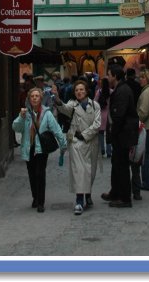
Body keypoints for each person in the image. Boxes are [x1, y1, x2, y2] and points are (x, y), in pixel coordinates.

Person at [12, 86, 67, 213]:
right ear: (29, 99)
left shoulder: (47, 114)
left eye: (37, 96)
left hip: (41, 148)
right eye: (32, 96)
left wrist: (63, 145)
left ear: (41, 98)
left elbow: (56, 129)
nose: (34, 98)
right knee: (31, 174)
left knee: (39, 174)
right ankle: (35, 197)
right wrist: (21, 116)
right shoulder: (25, 113)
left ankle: (41, 202)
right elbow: (16, 127)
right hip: (28, 147)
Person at [55, 78, 101, 215]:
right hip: (76, 142)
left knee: (90, 172)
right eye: (76, 90)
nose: (79, 92)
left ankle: (88, 194)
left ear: (87, 91)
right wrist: (57, 100)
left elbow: (97, 124)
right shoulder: (72, 105)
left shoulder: (95, 105)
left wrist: (85, 134)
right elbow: (64, 108)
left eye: (81, 89)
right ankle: (79, 201)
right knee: (79, 172)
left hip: (91, 142)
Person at [100, 64, 139, 208]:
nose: (107, 77)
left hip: (123, 135)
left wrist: (113, 132)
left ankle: (124, 198)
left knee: (121, 166)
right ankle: (115, 192)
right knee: (116, 164)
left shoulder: (123, 90)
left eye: (109, 74)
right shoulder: (120, 88)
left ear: (115, 76)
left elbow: (119, 115)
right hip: (120, 134)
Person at [124, 67, 142, 199]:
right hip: (137, 124)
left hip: (127, 127)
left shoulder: (124, 88)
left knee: (126, 163)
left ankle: (127, 191)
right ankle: (136, 192)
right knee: (136, 163)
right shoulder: (138, 86)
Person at [94, 77, 112, 158]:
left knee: (100, 133)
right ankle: (109, 151)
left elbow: (94, 102)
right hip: (109, 115)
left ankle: (102, 149)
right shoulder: (111, 91)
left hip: (101, 114)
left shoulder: (99, 92)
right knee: (109, 134)